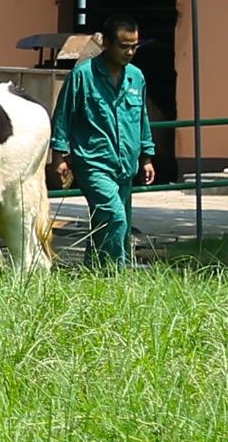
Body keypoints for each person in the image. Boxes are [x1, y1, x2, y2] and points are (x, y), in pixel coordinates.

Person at [49, 15, 155, 266]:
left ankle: (93, 271)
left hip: (126, 165)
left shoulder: (136, 78)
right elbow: (63, 116)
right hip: (93, 162)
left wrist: (147, 157)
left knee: (106, 221)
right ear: (105, 43)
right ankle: (115, 276)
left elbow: (142, 119)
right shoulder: (82, 76)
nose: (130, 52)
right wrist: (59, 156)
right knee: (115, 216)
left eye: (134, 46)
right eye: (124, 46)